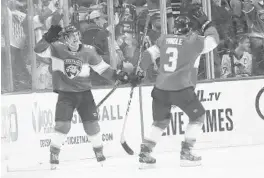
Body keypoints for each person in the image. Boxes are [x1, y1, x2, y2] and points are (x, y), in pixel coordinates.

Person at [131, 8, 220, 167]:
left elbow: (148, 55)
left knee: (160, 121)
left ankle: (145, 153)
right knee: (198, 117)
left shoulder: (164, 39)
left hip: (160, 89)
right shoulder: (193, 41)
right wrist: (207, 23)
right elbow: (214, 40)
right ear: (189, 29)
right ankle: (186, 152)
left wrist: (139, 71)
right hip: (181, 89)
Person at [34, 24, 131, 169]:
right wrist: (47, 37)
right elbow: (38, 50)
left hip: (84, 94)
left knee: (92, 126)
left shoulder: (88, 51)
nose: (75, 39)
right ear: (65, 39)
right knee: (62, 125)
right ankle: (54, 153)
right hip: (65, 94)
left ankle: (99, 153)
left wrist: (117, 75)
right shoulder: (56, 48)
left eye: (76, 36)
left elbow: (102, 69)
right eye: (70, 37)